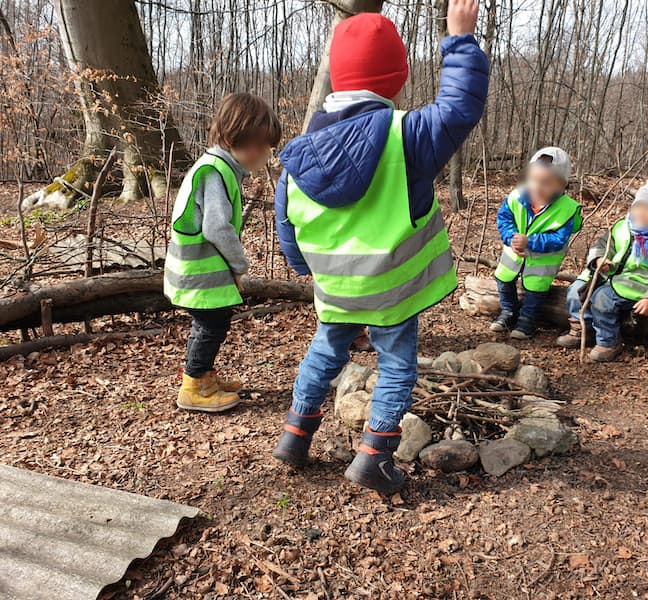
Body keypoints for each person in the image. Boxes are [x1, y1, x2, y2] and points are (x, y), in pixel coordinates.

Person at [272, 0, 489, 493]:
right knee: (396, 364)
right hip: (392, 291)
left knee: (325, 353)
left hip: (337, 290)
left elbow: (287, 227)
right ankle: (374, 457)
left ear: (336, 78)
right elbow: (459, 107)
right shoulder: (407, 136)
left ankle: (294, 435)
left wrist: (306, 268)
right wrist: (459, 39)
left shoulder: (298, 157)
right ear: (397, 77)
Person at [164, 93, 281, 412]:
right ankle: (193, 386)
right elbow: (217, 228)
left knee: (211, 322)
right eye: (260, 145)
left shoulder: (218, 167)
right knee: (211, 324)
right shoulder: (215, 171)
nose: (264, 154)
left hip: (199, 272)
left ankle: (203, 377)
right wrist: (239, 265)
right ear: (236, 138)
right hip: (199, 274)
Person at [557, 177, 648, 361]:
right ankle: (583, 328)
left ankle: (608, 341)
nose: (641, 213)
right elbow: (603, 244)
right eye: (638, 206)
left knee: (603, 299)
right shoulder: (623, 226)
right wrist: (597, 260)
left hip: (638, 283)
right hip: (605, 274)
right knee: (574, 291)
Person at [491, 147, 582, 339]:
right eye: (533, 180)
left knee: (535, 291)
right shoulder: (517, 196)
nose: (537, 187)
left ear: (562, 185)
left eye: (546, 183)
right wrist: (511, 237)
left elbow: (558, 240)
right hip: (513, 256)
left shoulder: (567, 209)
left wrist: (530, 241)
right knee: (503, 280)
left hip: (541, 264)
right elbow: (504, 218)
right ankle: (508, 312)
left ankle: (527, 321)